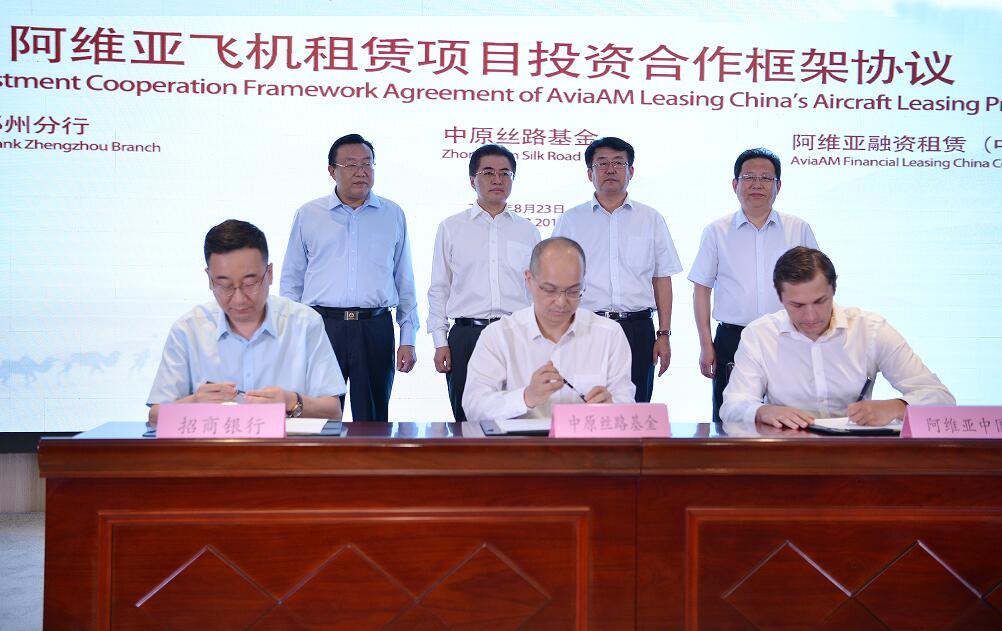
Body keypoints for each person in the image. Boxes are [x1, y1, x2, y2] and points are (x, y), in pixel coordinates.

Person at [721, 247, 955, 428]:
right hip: (788, 455)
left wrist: (898, 407)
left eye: (820, 301)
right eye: (797, 305)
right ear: (780, 297)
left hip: (856, 455)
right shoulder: (759, 335)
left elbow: (941, 398)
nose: (811, 316)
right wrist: (762, 411)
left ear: (834, 289)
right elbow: (732, 405)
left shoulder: (871, 330)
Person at [147, 220, 345, 425]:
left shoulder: (305, 323)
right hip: (213, 445)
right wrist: (195, 402)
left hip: (285, 446)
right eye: (224, 285)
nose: (239, 298)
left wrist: (291, 402)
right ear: (209, 279)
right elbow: (154, 417)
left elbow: (333, 411)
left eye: (250, 283)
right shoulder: (188, 330)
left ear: (269, 274)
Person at [280, 133, 418, 421]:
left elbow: (404, 280)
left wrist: (408, 338)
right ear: (332, 171)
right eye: (351, 164)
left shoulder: (392, 214)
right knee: (318, 416)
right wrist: (294, 336)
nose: (361, 171)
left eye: (367, 163)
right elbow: (292, 282)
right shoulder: (309, 214)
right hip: (322, 327)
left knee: (373, 419)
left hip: (375, 328)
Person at [688, 148, 819, 422]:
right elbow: (701, 289)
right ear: (735, 184)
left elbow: (818, 286)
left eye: (765, 178)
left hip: (789, 337)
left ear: (778, 186)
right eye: (748, 177)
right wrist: (706, 344)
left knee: (791, 418)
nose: (756, 184)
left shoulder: (798, 229)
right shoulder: (716, 231)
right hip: (733, 338)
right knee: (730, 418)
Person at [553, 136, 681, 403]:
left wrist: (664, 334)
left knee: (635, 408)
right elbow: (556, 280)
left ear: (631, 171)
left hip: (637, 329)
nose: (610, 169)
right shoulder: (571, 220)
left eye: (618, 163)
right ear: (590, 173)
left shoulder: (651, 219)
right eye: (602, 163)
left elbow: (661, 279)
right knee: (583, 407)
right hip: (586, 328)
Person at [463, 237, 635, 423]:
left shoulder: (609, 334)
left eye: (573, 291)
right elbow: (474, 407)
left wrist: (612, 407)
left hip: (588, 440)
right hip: (519, 442)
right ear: (529, 280)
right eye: (550, 290)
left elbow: (627, 405)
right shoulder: (499, 335)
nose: (561, 302)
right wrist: (526, 397)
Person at [427, 144, 541, 422]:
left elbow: (537, 292)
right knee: (467, 422)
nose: (497, 179)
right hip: (466, 337)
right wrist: (440, 342)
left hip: (515, 336)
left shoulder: (528, 230)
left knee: (517, 419)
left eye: (505, 173)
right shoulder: (451, 228)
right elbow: (439, 289)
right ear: (472, 180)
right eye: (488, 172)